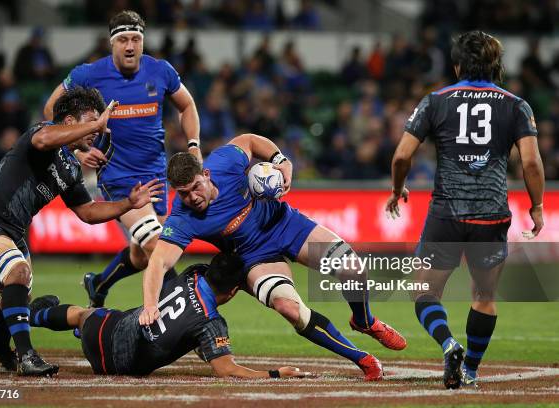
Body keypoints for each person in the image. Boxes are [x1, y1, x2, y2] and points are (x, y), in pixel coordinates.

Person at [138, 133, 409, 381]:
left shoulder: (224, 161)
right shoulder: (182, 218)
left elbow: (249, 141)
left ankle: (363, 321)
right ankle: (363, 359)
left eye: (196, 187)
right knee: (289, 308)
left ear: (206, 174)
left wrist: (281, 160)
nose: (192, 198)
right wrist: (150, 305)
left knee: (353, 268)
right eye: (183, 193)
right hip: (254, 257)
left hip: (285, 225)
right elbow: (159, 262)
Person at [0, 87, 164, 376]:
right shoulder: (43, 132)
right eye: (91, 121)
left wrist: (127, 204)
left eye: (98, 122)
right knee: (17, 274)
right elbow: (44, 139)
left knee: (14, 297)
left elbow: (88, 212)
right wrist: (97, 122)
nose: (98, 129)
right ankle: (27, 356)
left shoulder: (69, 167)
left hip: (14, 233)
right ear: (69, 122)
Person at [386, 31, 544, 389]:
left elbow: (401, 155)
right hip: (492, 213)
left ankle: (448, 344)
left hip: (447, 213)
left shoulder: (435, 101)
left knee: (424, 291)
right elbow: (531, 164)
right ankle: (470, 369)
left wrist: (398, 190)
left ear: (457, 66)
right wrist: (536, 207)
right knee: (484, 297)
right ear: (496, 66)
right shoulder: (516, 104)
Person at [43, 10, 201, 308]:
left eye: (136, 39)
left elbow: (187, 105)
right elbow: (52, 109)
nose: (130, 46)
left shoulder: (161, 71)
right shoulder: (88, 75)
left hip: (156, 175)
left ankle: (99, 283)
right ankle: (190, 318)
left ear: (143, 42)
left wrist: (193, 144)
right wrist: (78, 147)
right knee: (158, 246)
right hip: (118, 178)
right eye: (124, 40)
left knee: (142, 254)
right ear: (111, 43)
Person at [29, 253, 308, 379]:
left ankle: (34, 315)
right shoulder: (212, 323)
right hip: (116, 367)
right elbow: (227, 370)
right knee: (100, 316)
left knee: (84, 314)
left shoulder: (193, 272)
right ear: (235, 291)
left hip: (98, 334)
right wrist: (275, 374)